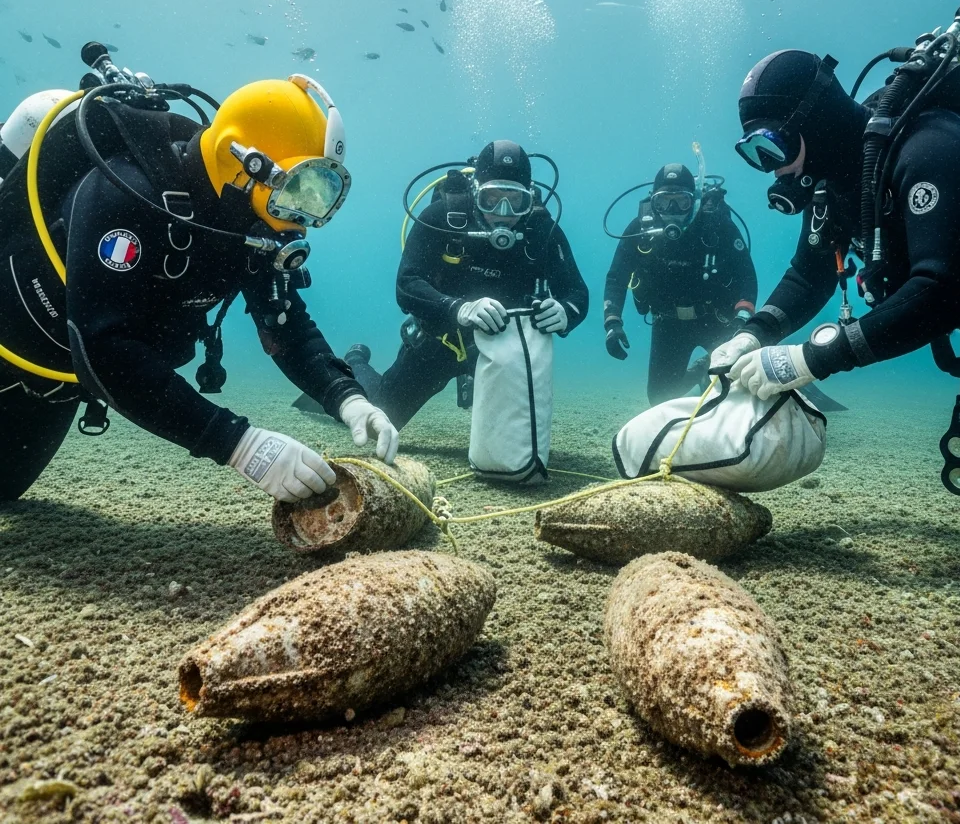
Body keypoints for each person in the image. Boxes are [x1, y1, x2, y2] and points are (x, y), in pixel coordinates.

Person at [0, 66, 397, 504]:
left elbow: (286, 327)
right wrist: (238, 444)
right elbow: (104, 349)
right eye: (295, 189)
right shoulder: (125, 193)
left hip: (58, 381)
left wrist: (348, 398)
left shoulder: (248, 221)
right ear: (240, 159)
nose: (302, 216)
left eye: (319, 194)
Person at [710, 41, 960, 402]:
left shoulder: (929, 147)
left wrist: (811, 358)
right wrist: (753, 333)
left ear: (815, 121)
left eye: (774, 145)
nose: (773, 169)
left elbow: (944, 291)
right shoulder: (828, 186)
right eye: (755, 154)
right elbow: (809, 276)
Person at [346, 139, 589, 429]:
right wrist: (458, 309)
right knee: (378, 421)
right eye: (491, 198)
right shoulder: (441, 218)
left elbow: (577, 293)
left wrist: (565, 312)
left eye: (515, 201)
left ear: (529, 198)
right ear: (475, 191)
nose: (502, 212)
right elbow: (406, 285)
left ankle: (472, 380)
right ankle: (355, 361)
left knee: (517, 435)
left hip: (502, 349)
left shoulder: (542, 231)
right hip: (438, 342)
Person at [603, 162, 756, 404]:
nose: (672, 210)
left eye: (681, 201)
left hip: (717, 319)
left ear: (694, 201)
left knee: (738, 386)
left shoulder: (716, 224)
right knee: (659, 399)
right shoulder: (640, 230)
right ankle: (700, 370)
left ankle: (710, 371)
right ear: (653, 202)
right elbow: (616, 277)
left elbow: (746, 273)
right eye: (664, 202)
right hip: (668, 323)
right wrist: (612, 321)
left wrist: (743, 317)